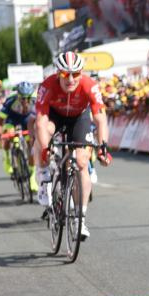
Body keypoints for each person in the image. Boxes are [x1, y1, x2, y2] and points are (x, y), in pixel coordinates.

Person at [35, 52, 112, 239]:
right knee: (42, 135)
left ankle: (80, 219)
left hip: (79, 117)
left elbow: (101, 119)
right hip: (55, 116)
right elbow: (41, 122)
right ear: (58, 73)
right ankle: (44, 177)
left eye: (75, 74)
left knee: (81, 162)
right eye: (65, 74)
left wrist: (103, 148)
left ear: (81, 73)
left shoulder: (90, 86)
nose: (70, 79)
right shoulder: (47, 85)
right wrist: (45, 149)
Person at [0, 82, 38, 190]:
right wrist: (0, 138)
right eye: (22, 98)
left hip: (27, 120)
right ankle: (7, 157)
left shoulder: (36, 100)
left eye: (27, 98)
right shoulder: (10, 101)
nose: (25, 101)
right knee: (8, 135)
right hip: (12, 119)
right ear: (18, 95)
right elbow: (0, 121)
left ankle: (32, 177)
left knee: (32, 147)